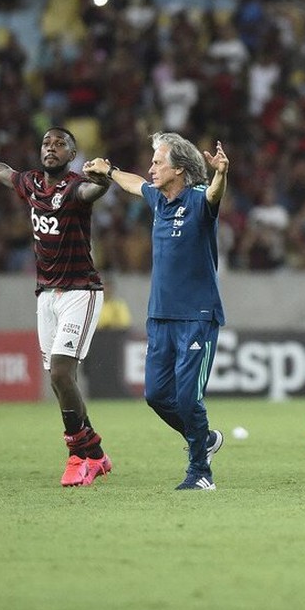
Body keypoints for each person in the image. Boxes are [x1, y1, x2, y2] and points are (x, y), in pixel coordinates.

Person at [0, 128, 113, 487]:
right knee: (60, 381)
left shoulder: (74, 187)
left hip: (80, 291)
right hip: (46, 294)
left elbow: (94, 191)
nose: (52, 148)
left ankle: (78, 457)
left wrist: (103, 181)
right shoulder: (31, 183)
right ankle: (96, 453)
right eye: (46, 143)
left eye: (60, 145)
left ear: (72, 154)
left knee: (60, 373)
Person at [82, 133, 228, 491]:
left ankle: (200, 473)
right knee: (156, 395)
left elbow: (214, 195)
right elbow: (135, 184)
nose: (151, 168)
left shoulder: (198, 200)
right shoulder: (160, 200)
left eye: (158, 161)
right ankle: (205, 438)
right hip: (160, 316)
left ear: (179, 168)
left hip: (197, 316)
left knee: (187, 397)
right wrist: (110, 170)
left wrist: (221, 174)